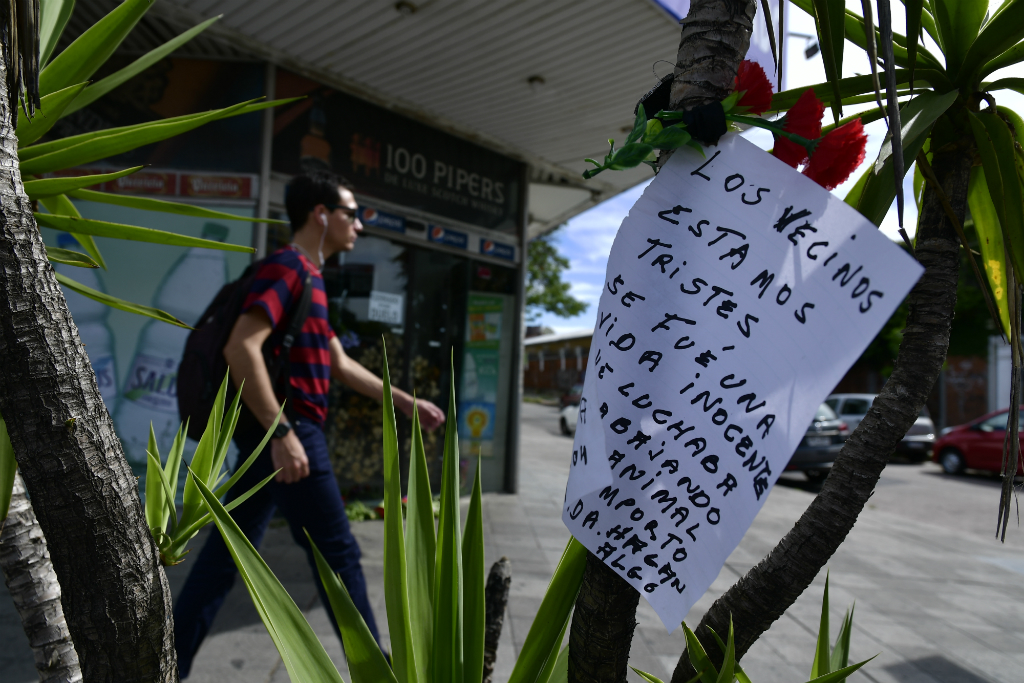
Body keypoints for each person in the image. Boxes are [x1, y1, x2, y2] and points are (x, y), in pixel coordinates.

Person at [173, 170, 445, 677]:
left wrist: (408, 402)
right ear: (321, 215)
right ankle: (374, 672)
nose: (359, 226)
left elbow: (338, 363)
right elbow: (240, 348)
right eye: (352, 213)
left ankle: (165, 662)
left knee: (226, 555)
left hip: (278, 433)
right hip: (289, 431)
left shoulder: (311, 278)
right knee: (337, 554)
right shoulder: (287, 269)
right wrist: (282, 434)